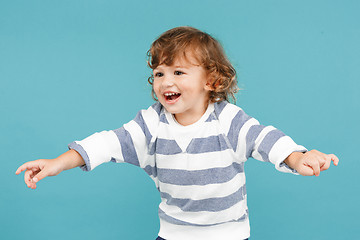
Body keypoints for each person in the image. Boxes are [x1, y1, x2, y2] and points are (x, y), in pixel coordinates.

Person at [15, 26, 339, 240]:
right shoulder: (151, 124)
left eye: (179, 72)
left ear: (211, 81)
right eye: (159, 73)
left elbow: (265, 139)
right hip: (172, 234)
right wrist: (59, 162)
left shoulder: (228, 120)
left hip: (228, 234)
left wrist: (298, 157)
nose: (166, 81)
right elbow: (109, 142)